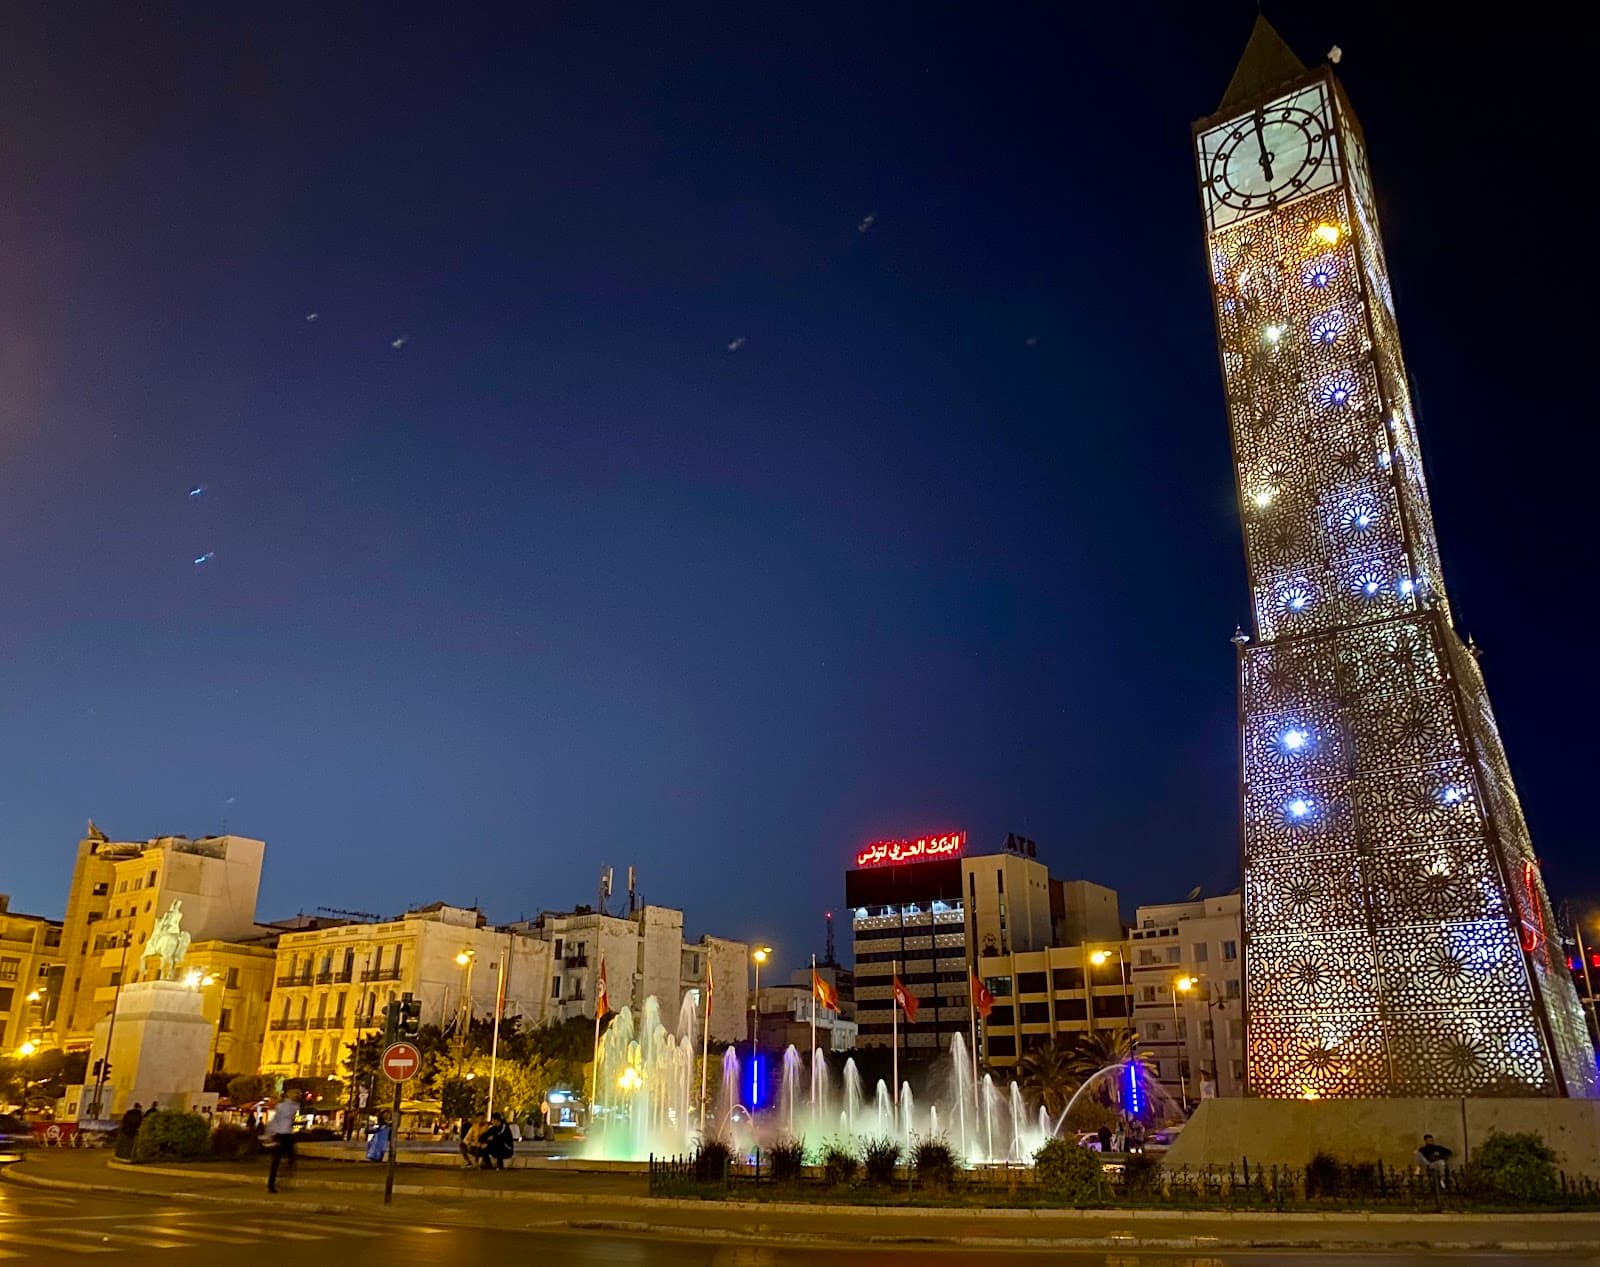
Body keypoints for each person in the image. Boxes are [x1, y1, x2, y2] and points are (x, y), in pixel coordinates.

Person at [265, 1089, 302, 1193]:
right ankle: (273, 1183)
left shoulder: (294, 1106)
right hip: (282, 1134)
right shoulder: (284, 1106)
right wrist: (269, 1134)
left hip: (286, 1134)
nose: (297, 1095)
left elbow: (282, 1120)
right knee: (279, 1160)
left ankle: (276, 1181)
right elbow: (276, 1120)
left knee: (285, 1159)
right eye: (295, 1093)